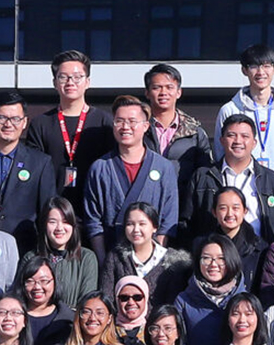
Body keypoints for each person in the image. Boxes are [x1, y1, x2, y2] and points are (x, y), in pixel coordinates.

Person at [82, 97, 178, 259]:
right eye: (119, 121)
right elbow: (93, 221)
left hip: (151, 256)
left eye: (132, 121)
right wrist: (103, 260)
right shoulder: (99, 168)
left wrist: (156, 260)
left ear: (146, 126)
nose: (125, 127)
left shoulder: (163, 167)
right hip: (113, 255)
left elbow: (168, 219)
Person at [0, 92, 59, 250]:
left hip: (24, 247)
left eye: (15, 119)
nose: (8, 124)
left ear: (24, 122)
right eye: (1, 118)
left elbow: (47, 212)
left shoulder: (40, 163)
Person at [188, 115, 274, 245]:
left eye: (245, 136)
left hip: (260, 254)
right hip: (214, 253)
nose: (238, 141)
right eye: (231, 135)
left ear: (254, 143)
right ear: (222, 140)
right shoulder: (203, 177)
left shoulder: (273, 182)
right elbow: (187, 223)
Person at [27, 51, 115, 201]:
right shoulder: (40, 123)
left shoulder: (104, 122)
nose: (70, 82)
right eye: (63, 77)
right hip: (52, 207)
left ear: (87, 82)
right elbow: (34, 170)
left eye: (77, 77)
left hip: (93, 205)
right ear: (54, 83)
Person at [215, 44, 274, 185]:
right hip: (239, 185)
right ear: (244, 70)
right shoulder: (229, 110)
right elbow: (221, 152)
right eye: (254, 66)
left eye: (266, 66)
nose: (261, 72)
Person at [141, 63, 213, 200]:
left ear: (179, 92)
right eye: (156, 87)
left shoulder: (194, 132)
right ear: (147, 93)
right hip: (144, 202)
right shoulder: (138, 129)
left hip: (182, 202)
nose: (163, 93)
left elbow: (204, 174)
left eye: (169, 87)